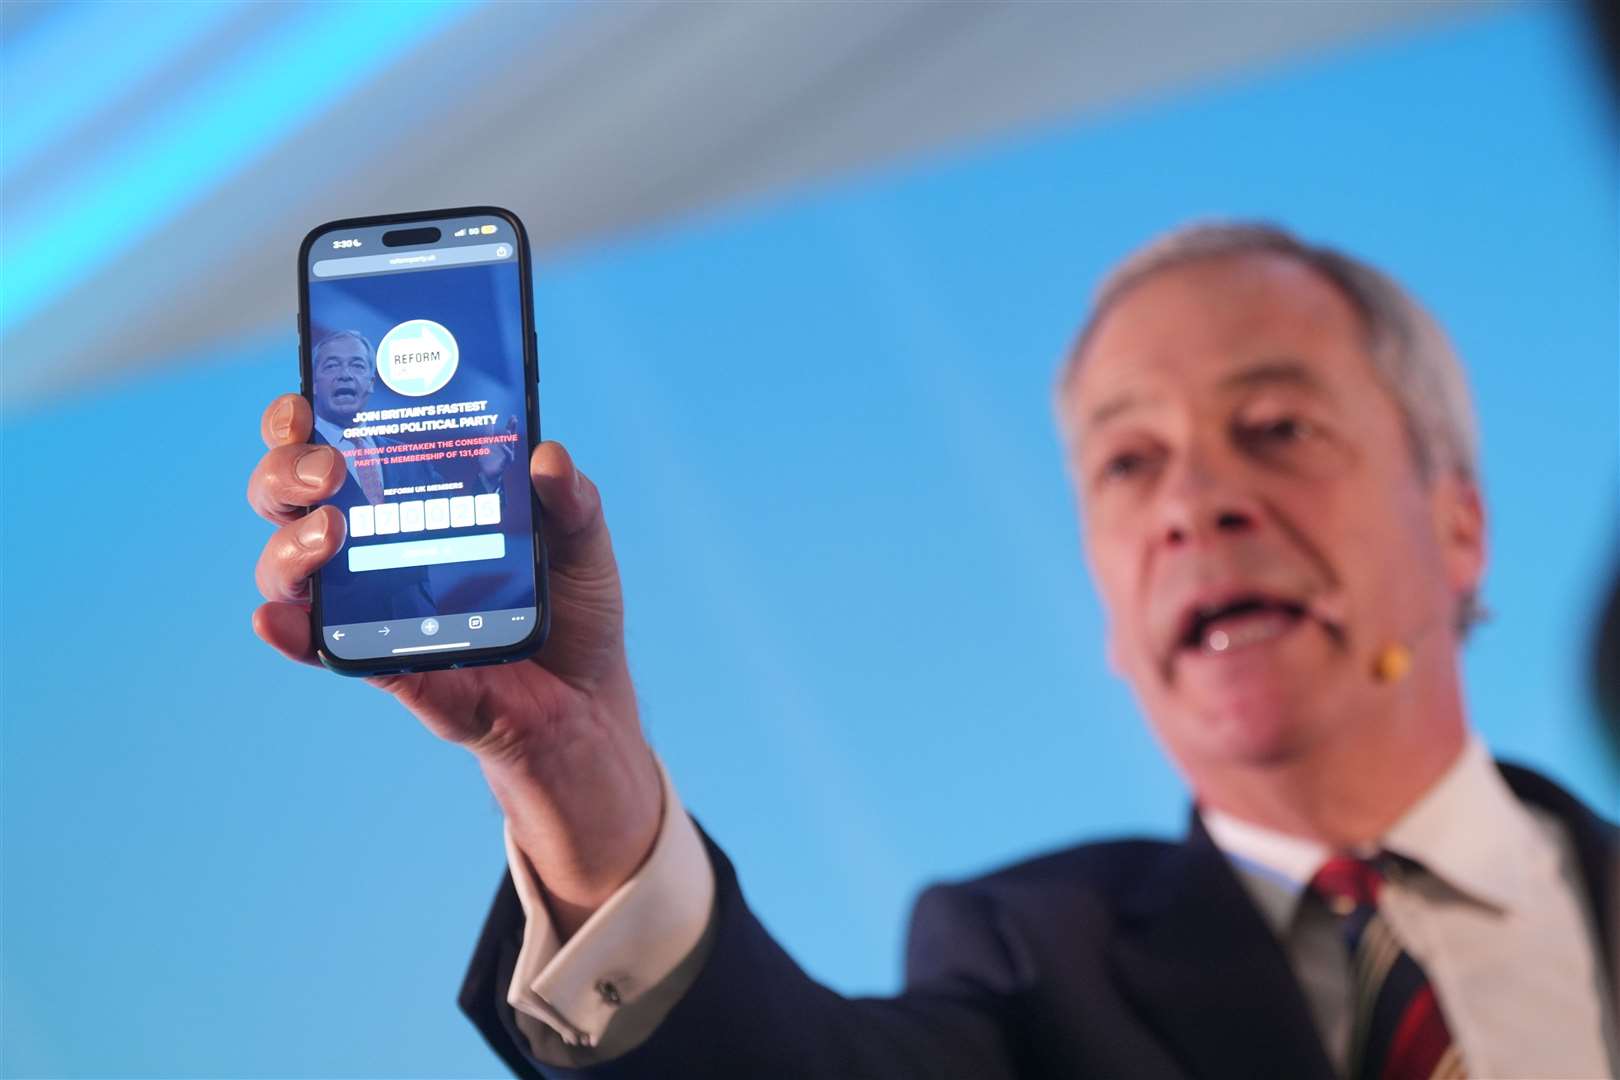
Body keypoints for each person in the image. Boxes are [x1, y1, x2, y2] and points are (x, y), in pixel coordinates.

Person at [247, 223, 1618, 1078]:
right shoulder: (1035, 965)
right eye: (1130, 464)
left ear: (1459, 524)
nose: (1196, 505)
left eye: (1276, 429)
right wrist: (574, 767)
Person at [304, 328, 515, 624]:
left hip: (417, 620)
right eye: (332, 365)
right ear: (313, 384)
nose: (345, 375)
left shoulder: (408, 458)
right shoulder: (302, 461)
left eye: (357, 366)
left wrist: (489, 478)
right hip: (347, 623)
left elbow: (458, 526)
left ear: (371, 384)